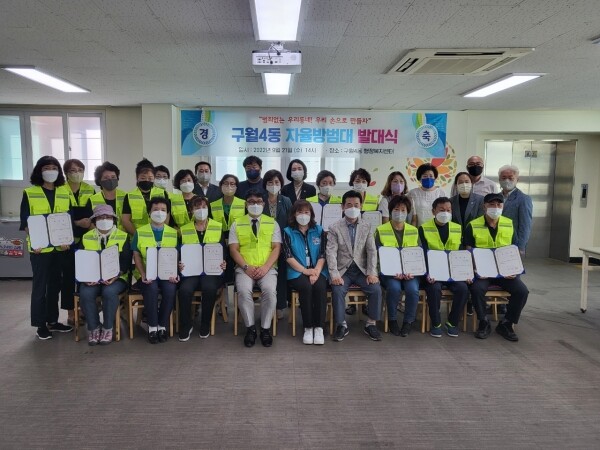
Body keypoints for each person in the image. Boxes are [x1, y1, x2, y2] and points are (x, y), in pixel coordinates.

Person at [20, 155, 75, 339]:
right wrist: (36, 241)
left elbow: (68, 218)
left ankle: (52, 320)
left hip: (60, 248)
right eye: (46, 168)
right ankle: (40, 324)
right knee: (40, 287)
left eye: (54, 168)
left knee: (54, 286)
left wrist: (67, 239)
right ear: (39, 171)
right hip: (40, 250)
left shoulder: (64, 191)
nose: (50, 171)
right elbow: (25, 222)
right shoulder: (30, 192)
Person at [464, 193, 529, 341]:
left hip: (504, 272)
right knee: (476, 289)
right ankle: (483, 322)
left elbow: (514, 250)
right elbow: (468, 251)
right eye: (491, 204)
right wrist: (475, 269)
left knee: (522, 291)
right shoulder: (472, 225)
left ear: (503, 207)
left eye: (499, 205)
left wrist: (514, 269)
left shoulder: (509, 224)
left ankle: (507, 323)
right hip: (483, 272)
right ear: (484, 206)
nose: (495, 207)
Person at [326, 190, 382, 342]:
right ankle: (341, 325)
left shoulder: (367, 226)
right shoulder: (334, 227)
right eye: (349, 204)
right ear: (342, 207)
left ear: (361, 206)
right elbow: (330, 252)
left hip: (361, 270)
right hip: (343, 270)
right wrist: (334, 274)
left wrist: (372, 273)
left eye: (356, 205)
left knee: (376, 289)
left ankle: (371, 324)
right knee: (337, 290)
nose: (352, 208)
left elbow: (372, 251)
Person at [228, 189, 281, 348]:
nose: (255, 205)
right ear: (246, 204)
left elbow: (276, 248)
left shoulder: (272, 223)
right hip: (244, 268)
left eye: (258, 202)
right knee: (243, 291)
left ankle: (265, 329)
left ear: (263, 204)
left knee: (270, 292)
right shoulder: (237, 223)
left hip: (268, 268)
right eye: (251, 202)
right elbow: (233, 249)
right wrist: (246, 267)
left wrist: (265, 267)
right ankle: (250, 328)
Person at [79, 205, 131, 345]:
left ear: (113, 219)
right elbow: (80, 260)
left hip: (117, 277)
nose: (104, 220)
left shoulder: (123, 236)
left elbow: (126, 261)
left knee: (109, 292)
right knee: (86, 293)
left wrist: (116, 275)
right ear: (94, 220)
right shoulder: (86, 237)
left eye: (108, 217)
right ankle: (94, 328)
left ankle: (108, 328)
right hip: (92, 278)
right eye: (101, 217)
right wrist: (85, 277)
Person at [177, 196, 226, 341]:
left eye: (204, 207)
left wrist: (224, 262)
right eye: (197, 207)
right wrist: (179, 264)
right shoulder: (184, 229)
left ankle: (205, 324)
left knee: (209, 288)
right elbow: (179, 252)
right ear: (191, 210)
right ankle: (186, 325)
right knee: (184, 290)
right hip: (191, 272)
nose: (201, 210)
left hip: (211, 271)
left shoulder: (217, 226)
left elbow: (223, 251)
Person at [419, 197, 469, 338]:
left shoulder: (457, 228)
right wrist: (427, 273)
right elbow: (422, 254)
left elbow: (461, 253)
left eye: (448, 210)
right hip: (433, 272)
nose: (445, 213)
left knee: (463, 289)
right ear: (433, 211)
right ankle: (436, 323)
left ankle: (452, 322)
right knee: (434, 289)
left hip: (453, 272)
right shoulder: (423, 228)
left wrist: (465, 273)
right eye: (441, 210)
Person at [132, 197, 179, 344]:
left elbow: (177, 256)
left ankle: (162, 325)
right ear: (149, 212)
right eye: (155, 209)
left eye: (163, 210)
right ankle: (152, 327)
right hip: (147, 273)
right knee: (151, 288)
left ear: (168, 213)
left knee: (170, 290)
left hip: (167, 274)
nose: (159, 213)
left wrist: (175, 273)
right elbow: (136, 255)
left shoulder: (173, 233)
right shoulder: (140, 232)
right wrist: (143, 274)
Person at [283, 200, 328, 345]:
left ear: (311, 214)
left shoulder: (319, 230)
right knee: (306, 287)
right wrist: (305, 271)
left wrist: (316, 272)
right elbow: (288, 257)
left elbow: (323, 253)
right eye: (300, 212)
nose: (303, 215)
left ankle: (319, 327)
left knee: (320, 287)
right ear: (294, 214)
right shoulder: (287, 232)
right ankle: (308, 327)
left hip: (318, 269)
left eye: (306, 212)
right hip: (297, 271)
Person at [375, 195, 420, 337]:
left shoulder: (414, 230)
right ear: (390, 211)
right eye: (396, 209)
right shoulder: (380, 230)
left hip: (410, 273)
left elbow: (418, 255)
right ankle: (392, 320)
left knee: (412, 290)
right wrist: (392, 271)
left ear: (407, 212)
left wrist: (411, 271)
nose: (399, 212)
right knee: (394, 288)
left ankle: (408, 322)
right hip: (389, 273)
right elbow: (377, 255)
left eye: (403, 210)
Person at [63, 158, 96, 324]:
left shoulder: (90, 189)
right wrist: (76, 223)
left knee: (85, 275)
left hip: (87, 239)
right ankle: (71, 313)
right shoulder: (60, 190)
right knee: (68, 277)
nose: (77, 173)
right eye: (72, 170)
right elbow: (59, 215)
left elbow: (95, 212)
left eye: (80, 170)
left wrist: (90, 225)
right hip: (66, 240)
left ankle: (83, 309)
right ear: (66, 173)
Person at [263, 169, 293, 317]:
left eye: (276, 182)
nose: (273, 185)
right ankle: (267, 305)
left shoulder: (286, 200)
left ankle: (280, 306)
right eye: (270, 182)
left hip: (281, 243)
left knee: (281, 275)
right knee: (266, 274)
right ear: (265, 184)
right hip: (263, 244)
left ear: (281, 184)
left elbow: (291, 222)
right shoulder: (260, 200)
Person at [210, 174, 246, 284]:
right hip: (219, 240)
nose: (229, 186)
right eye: (226, 183)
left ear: (236, 187)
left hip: (238, 241)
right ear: (220, 186)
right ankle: (221, 288)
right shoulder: (213, 205)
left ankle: (233, 287)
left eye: (232, 184)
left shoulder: (243, 203)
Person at [121, 159, 164, 236]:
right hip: (137, 237)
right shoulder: (129, 196)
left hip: (159, 236)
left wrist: (159, 234)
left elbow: (166, 217)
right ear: (137, 178)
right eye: (143, 178)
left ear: (154, 178)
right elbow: (125, 220)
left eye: (150, 178)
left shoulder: (162, 194)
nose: (147, 180)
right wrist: (138, 236)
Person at [498, 165, 533, 254]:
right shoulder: (495, 197)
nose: (507, 181)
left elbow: (525, 225)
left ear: (517, 179)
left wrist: (521, 247)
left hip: (513, 243)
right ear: (499, 180)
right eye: (504, 178)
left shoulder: (523, 199)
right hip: (496, 242)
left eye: (511, 178)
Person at [85, 161, 127, 231]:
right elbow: (90, 223)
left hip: (123, 236)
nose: (110, 180)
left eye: (113, 177)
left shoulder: (126, 196)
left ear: (117, 179)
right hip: (100, 236)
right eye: (106, 178)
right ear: (99, 181)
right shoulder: (92, 200)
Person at [408, 163, 446, 227]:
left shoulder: (441, 193)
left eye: (431, 176)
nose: (428, 178)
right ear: (419, 179)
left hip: (436, 229)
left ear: (435, 178)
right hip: (418, 228)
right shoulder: (413, 193)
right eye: (425, 176)